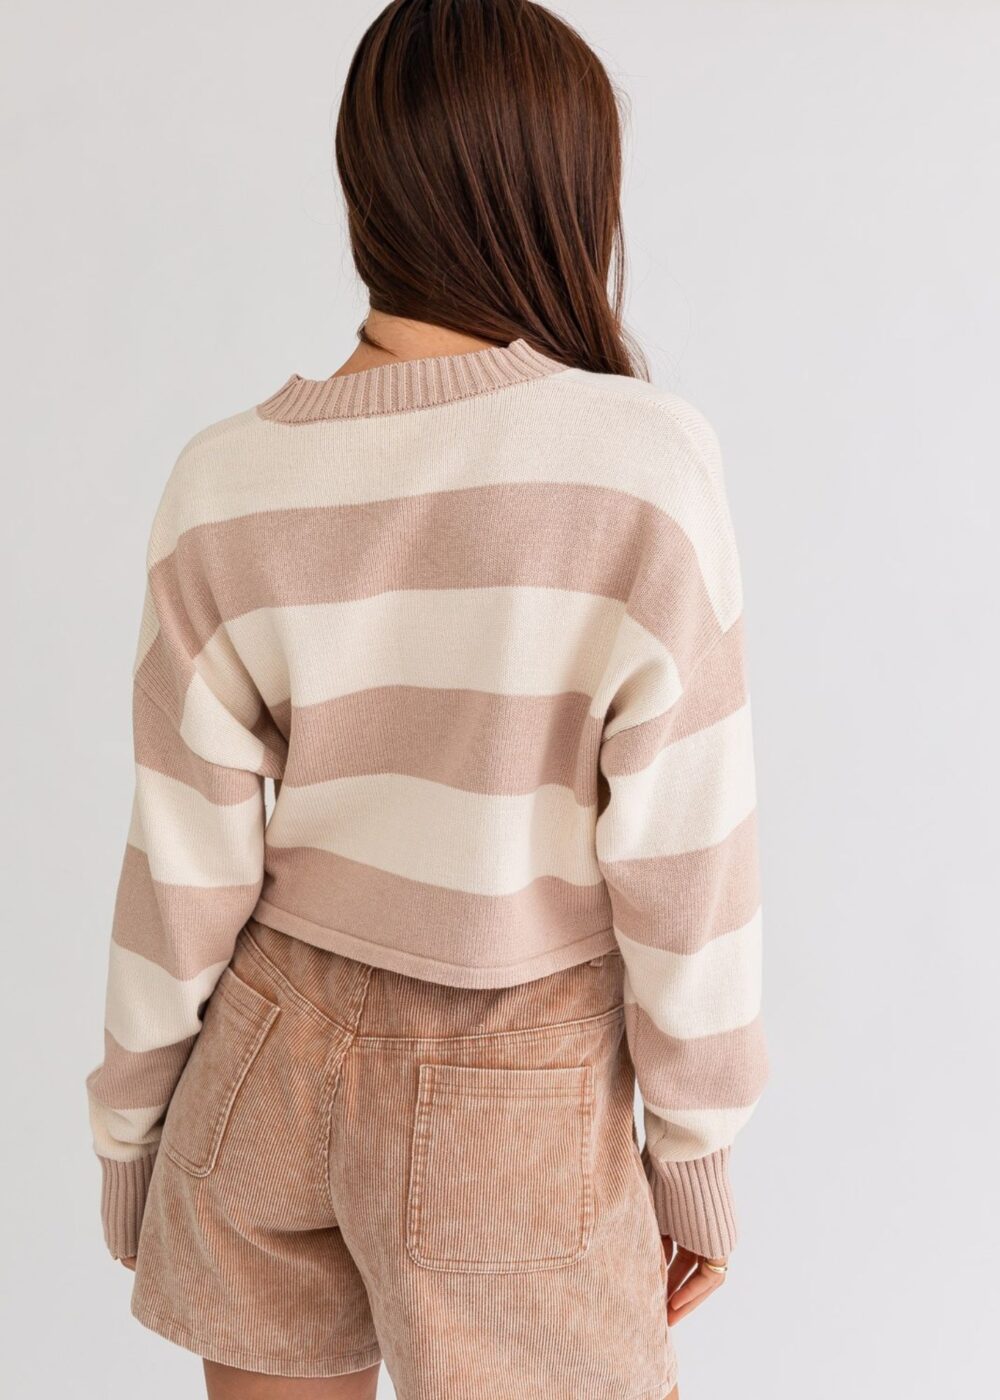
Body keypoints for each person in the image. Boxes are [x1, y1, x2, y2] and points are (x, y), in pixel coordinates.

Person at [84, 2, 767, 1396]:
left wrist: (132, 1135)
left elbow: (182, 863)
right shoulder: (640, 464)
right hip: (515, 1093)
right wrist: (695, 1153)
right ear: (572, 197)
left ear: (364, 189)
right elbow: (689, 861)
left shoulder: (223, 481)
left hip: (261, 1067)